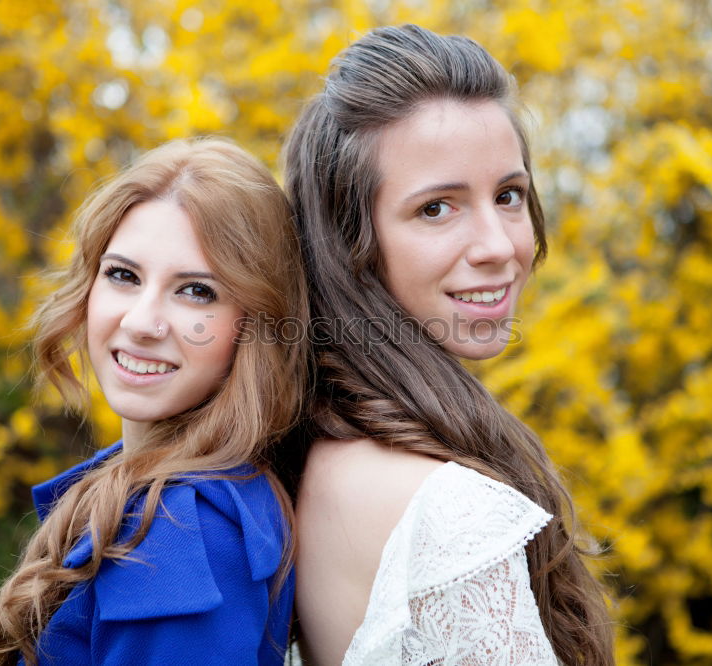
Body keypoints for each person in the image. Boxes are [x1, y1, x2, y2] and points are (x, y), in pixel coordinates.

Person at [282, 25, 614, 665]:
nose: (498, 245)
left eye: (508, 195)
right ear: (347, 241)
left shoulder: (318, 448)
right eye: (437, 208)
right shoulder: (440, 513)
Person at [0, 138, 309, 665]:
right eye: (123, 275)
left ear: (254, 326)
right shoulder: (156, 493)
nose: (142, 323)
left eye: (196, 291)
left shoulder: (180, 537)